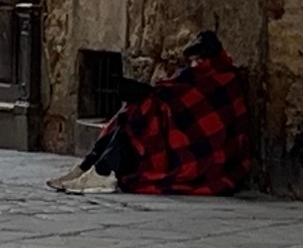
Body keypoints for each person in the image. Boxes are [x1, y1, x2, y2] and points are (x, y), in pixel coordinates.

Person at [48, 30, 252, 196]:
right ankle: (88, 167)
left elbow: (194, 108)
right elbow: (176, 93)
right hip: (174, 128)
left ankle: (101, 170)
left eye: (198, 59)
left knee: (140, 115)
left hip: (195, 149)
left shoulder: (224, 80)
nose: (194, 64)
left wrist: (155, 99)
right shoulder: (196, 74)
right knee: (133, 112)